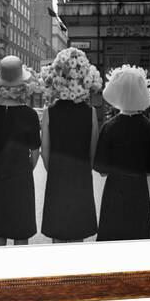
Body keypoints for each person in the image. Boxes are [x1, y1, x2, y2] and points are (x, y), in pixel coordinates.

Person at [94, 65, 150, 242]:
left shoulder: (109, 127)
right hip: (138, 190)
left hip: (114, 190)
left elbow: (101, 169)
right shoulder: (149, 128)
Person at [39, 48, 102, 243]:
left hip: (57, 174)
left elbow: (45, 151)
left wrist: (55, 168)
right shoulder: (90, 112)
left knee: (58, 232)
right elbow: (94, 149)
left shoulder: (50, 112)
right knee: (78, 231)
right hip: (81, 173)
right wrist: (85, 167)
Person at [0, 56, 41, 246]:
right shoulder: (30, 115)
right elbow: (35, 152)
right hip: (22, 178)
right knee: (21, 231)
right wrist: (25, 168)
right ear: (22, 83)